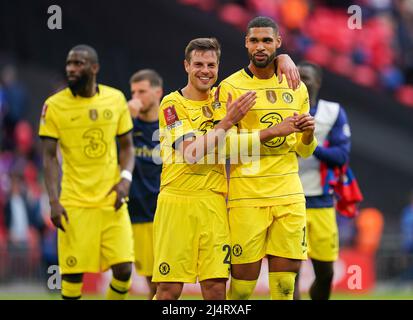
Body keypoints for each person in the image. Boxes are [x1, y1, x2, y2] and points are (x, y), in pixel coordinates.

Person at [153, 37, 302, 300]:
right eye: (198, 64)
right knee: (169, 290)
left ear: (218, 68)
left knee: (216, 290)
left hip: (215, 203)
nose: (205, 70)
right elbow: (191, 153)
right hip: (177, 202)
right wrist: (228, 122)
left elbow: (232, 146)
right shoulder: (171, 104)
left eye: (211, 65)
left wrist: (282, 58)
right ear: (186, 65)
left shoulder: (223, 99)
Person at [218, 16, 317, 300]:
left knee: (285, 287)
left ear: (278, 42)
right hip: (246, 195)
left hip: (288, 193)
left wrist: (308, 134)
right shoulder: (230, 87)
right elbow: (223, 148)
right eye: (254, 41)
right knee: (241, 289)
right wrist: (273, 130)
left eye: (266, 40)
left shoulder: (296, 86)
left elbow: (304, 150)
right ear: (246, 43)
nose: (260, 47)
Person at [39, 45, 135, 300]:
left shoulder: (115, 99)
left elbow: (127, 147)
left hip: (111, 201)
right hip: (74, 203)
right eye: (69, 63)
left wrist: (125, 180)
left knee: (124, 269)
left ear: (94, 68)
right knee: (72, 276)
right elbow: (48, 157)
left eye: (78, 63)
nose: (71, 68)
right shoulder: (54, 106)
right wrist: (53, 200)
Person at [294, 61, 352, 300]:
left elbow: (341, 156)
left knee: (326, 273)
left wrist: (308, 144)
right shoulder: (281, 111)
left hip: (321, 202)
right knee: (289, 273)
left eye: (306, 77)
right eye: (298, 76)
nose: (301, 81)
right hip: (289, 199)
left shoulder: (333, 112)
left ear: (317, 82)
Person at [127, 69, 163, 299]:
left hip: (167, 211)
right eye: (133, 92)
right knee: (153, 283)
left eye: (142, 91)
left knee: (166, 282)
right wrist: (126, 119)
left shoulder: (172, 125)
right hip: (139, 213)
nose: (136, 97)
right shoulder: (127, 126)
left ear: (158, 92)